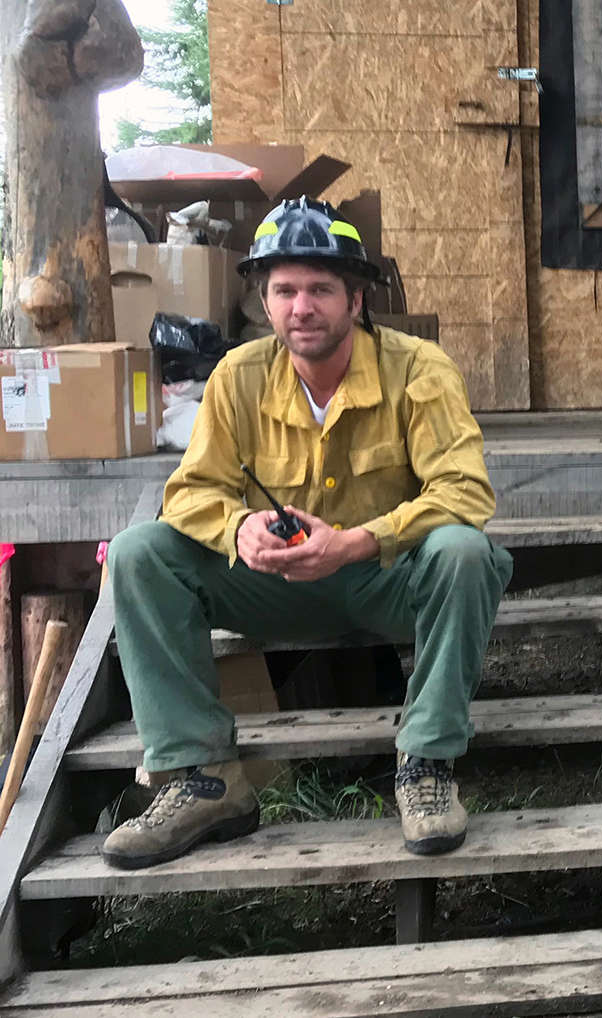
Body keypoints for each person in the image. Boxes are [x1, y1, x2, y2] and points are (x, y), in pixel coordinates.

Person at [100, 198, 513, 869]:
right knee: (138, 553)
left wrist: (358, 542)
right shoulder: (237, 376)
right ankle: (205, 780)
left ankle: (427, 764)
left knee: (465, 551)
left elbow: (465, 492)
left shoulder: (419, 368)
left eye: (320, 289)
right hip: (274, 585)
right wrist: (239, 527)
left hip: (386, 580)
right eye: (284, 291)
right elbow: (190, 493)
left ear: (356, 300)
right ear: (264, 303)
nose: (301, 308)